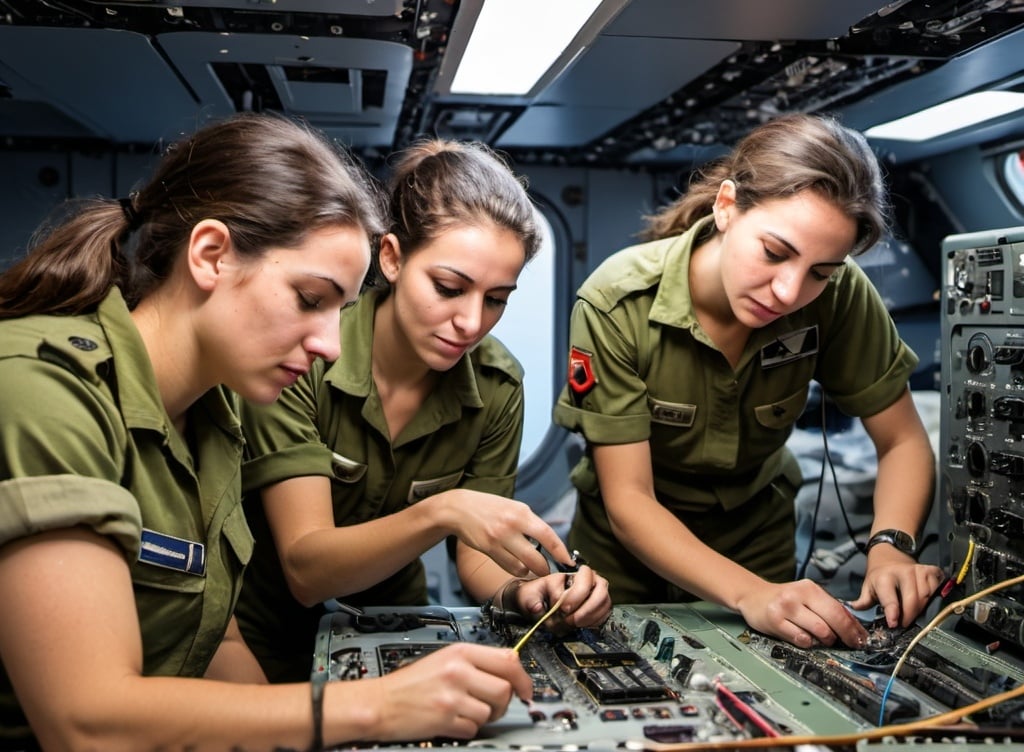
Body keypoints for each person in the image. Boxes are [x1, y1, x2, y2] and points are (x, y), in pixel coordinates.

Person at [0, 113, 534, 752]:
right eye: (311, 300)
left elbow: (216, 641)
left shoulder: (215, 416)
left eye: (340, 310)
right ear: (210, 255)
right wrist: (371, 708)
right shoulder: (44, 389)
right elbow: (84, 720)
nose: (333, 346)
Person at [552, 113, 944, 650]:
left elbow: (901, 440)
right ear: (727, 206)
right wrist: (748, 595)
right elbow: (629, 500)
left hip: (756, 543)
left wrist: (892, 545)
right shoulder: (616, 302)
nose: (788, 290)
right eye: (774, 253)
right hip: (625, 561)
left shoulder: (840, 294)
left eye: (820, 272)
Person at [235, 138, 611, 684]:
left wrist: (529, 592)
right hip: (260, 640)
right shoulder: (304, 355)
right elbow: (306, 568)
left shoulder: (497, 385)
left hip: (395, 635)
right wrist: (443, 510)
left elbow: (477, 555)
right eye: (448, 287)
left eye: (497, 298)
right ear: (391, 258)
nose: (471, 322)